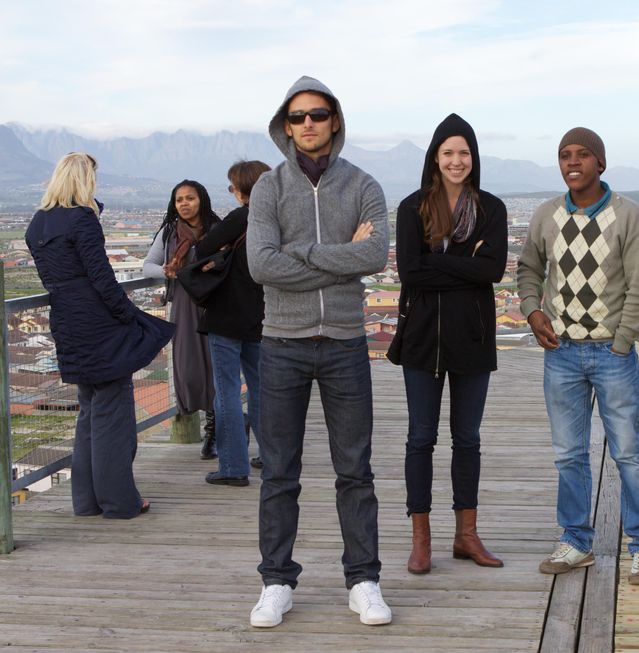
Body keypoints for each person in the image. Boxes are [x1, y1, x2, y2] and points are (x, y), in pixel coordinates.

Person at [245, 76, 391, 628]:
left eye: (319, 114)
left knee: (355, 470)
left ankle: (364, 580)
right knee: (279, 471)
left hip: (347, 344)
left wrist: (298, 255)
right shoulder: (269, 188)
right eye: (298, 115)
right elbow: (261, 265)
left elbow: (375, 254)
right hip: (281, 344)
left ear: (335, 120)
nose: (309, 123)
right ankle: (276, 582)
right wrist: (338, 255)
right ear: (286, 124)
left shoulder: (365, 184)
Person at [517, 128, 639, 585]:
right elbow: (528, 268)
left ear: (601, 163)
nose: (573, 161)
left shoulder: (627, 216)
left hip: (612, 353)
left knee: (627, 452)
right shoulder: (546, 214)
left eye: (584, 154)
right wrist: (532, 311)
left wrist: (622, 341)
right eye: (565, 155)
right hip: (561, 354)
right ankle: (576, 541)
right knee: (568, 454)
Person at [387, 114, 508, 574]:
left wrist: (440, 263)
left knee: (468, 440)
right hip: (421, 340)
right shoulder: (412, 207)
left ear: (473, 158)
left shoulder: (492, 209)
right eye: (448, 153)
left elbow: (492, 272)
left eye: (464, 153)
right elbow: (410, 272)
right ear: (435, 159)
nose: (457, 161)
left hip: (473, 338)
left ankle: (467, 536)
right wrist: (465, 261)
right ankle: (422, 541)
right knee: (420, 439)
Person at [26, 153, 174, 519]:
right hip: (96, 320)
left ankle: (87, 501)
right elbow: (100, 276)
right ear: (84, 179)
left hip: (65, 320)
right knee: (113, 413)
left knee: (89, 411)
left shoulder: (36, 224)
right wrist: (129, 316)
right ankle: (120, 502)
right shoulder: (81, 218)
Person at [194, 160, 271, 486]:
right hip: (260, 315)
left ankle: (233, 467)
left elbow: (202, 248)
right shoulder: (275, 220)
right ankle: (269, 456)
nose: (232, 192)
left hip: (226, 316)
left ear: (243, 190)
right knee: (261, 388)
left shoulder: (241, 216)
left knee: (226, 391)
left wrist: (222, 247)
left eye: (233, 187)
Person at [143, 180, 220, 458]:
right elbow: (147, 265)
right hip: (185, 306)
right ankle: (210, 421)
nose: (184, 204)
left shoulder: (217, 228)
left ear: (202, 200)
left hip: (215, 305)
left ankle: (214, 430)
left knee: (216, 368)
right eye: (179, 200)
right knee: (188, 369)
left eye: (190, 198)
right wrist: (167, 271)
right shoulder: (169, 233)